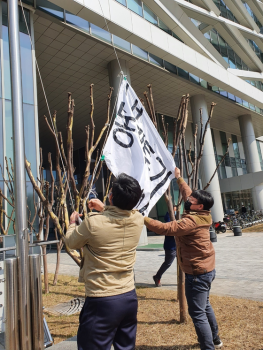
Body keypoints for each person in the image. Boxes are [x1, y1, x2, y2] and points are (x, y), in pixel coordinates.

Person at [144, 167, 223, 350]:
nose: (188, 200)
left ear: (199, 206)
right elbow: (189, 194)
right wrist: (179, 179)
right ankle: (216, 339)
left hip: (196, 272)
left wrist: (143, 218)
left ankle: (209, 346)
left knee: (197, 313)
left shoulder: (191, 221)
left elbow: (166, 228)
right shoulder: (203, 214)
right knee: (205, 305)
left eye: (192, 201)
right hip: (206, 269)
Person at [65, 173, 144, 350]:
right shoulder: (138, 220)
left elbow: (71, 242)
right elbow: (123, 215)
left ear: (111, 197)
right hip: (128, 296)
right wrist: (104, 208)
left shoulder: (93, 223)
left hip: (102, 298)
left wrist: (72, 224)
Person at [153, 206, 177, 287]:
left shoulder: (179, 217)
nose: (175, 210)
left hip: (179, 245)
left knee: (184, 263)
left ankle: (186, 280)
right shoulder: (168, 218)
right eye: (174, 209)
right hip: (171, 246)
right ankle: (157, 277)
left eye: (176, 209)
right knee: (167, 263)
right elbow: (168, 222)